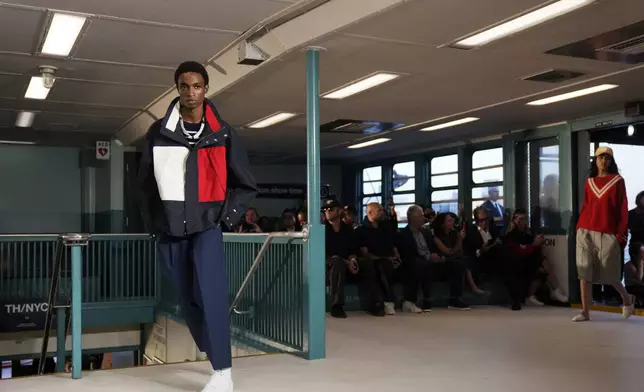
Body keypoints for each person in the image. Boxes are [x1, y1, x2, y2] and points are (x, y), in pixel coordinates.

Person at [138, 61, 257, 391]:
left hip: (207, 228)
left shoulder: (223, 133)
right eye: (185, 86)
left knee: (212, 295)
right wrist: (154, 225)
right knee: (186, 298)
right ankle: (211, 349)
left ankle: (223, 371)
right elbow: (145, 185)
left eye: (198, 86)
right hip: (170, 230)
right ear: (177, 88)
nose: (191, 92)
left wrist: (225, 218)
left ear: (206, 89)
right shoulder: (158, 133)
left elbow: (245, 184)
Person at [573, 146, 634, 322]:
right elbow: (586, 206)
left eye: (607, 158)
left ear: (611, 161)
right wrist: (579, 227)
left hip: (608, 232)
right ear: (596, 159)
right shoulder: (589, 181)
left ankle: (627, 298)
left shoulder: (617, 181)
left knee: (611, 274)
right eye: (600, 157)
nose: (603, 161)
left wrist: (621, 233)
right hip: (585, 230)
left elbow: (622, 208)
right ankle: (585, 312)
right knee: (584, 272)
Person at [397, 206, 468, 312]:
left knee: (457, 264)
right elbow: (408, 254)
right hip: (415, 263)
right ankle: (426, 300)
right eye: (421, 215)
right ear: (412, 218)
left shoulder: (426, 232)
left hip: (432, 262)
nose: (423, 217)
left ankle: (455, 299)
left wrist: (437, 257)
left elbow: (432, 248)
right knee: (422, 264)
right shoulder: (403, 234)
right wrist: (428, 257)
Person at [355, 202, 402, 316]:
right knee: (382, 265)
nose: (382, 212)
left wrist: (396, 256)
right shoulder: (361, 230)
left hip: (388, 258)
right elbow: (365, 253)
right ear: (370, 213)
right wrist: (385, 258)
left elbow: (391, 244)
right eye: (379, 210)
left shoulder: (384, 228)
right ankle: (386, 301)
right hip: (374, 260)